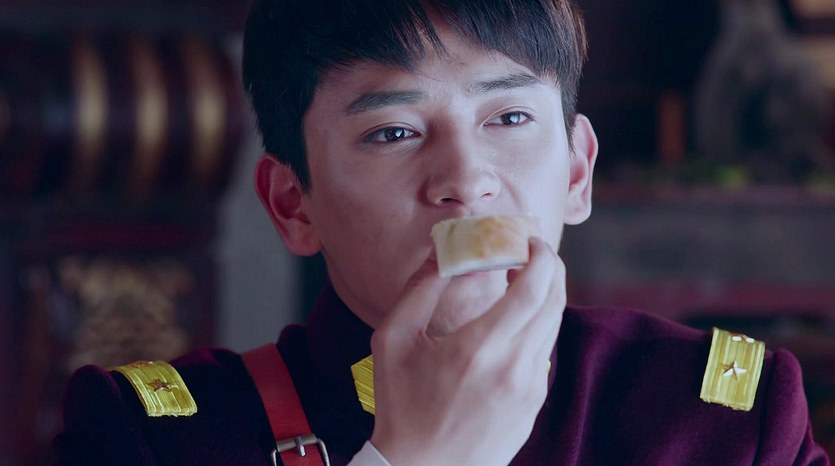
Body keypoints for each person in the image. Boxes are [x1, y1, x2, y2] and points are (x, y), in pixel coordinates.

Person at [54, 0, 830, 464]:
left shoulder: (719, 423)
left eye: (509, 117)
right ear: (293, 205)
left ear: (575, 172)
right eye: (392, 132)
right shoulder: (156, 439)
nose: (464, 178)